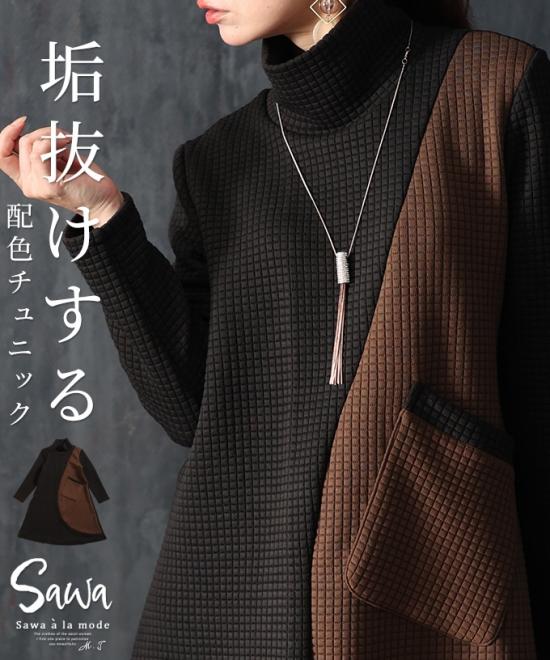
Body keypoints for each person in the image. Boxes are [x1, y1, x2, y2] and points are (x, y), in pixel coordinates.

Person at [1, 0, 549, 657]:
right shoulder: (217, 160)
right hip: (226, 610)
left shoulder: (494, 89)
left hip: (421, 598)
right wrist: (101, 216)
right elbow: (191, 411)